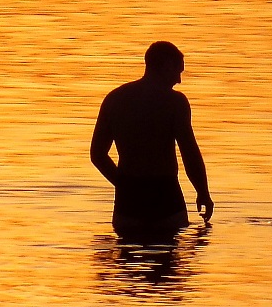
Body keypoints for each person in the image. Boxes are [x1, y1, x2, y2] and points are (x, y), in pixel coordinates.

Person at [90, 42, 213, 235]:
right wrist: (203, 193)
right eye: (178, 72)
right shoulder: (175, 102)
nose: (179, 80)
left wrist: (124, 185)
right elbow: (189, 154)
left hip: (127, 202)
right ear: (166, 66)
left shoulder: (115, 99)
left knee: (128, 261)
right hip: (165, 196)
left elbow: (97, 155)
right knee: (169, 259)